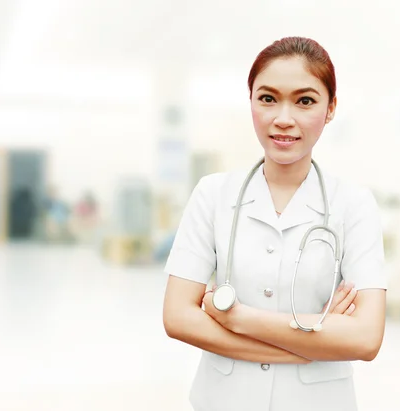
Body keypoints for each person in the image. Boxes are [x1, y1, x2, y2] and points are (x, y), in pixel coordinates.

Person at [162, 37, 387, 411]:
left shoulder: (354, 203)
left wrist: (235, 317)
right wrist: (313, 337)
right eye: (267, 98)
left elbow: (365, 338)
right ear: (250, 101)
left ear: (330, 108)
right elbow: (177, 317)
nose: (284, 118)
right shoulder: (213, 193)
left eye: (305, 101)